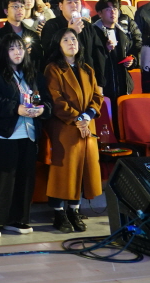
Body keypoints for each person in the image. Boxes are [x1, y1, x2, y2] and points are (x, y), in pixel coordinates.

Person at [0, 34, 49, 238]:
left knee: (25, 178)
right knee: (2, 179)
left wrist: (42, 109)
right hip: (4, 133)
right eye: (12, 48)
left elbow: (44, 99)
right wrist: (16, 108)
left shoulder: (33, 73)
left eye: (20, 48)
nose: (17, 52)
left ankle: (18, 218)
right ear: (4, 52)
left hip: (29, 132)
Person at [44, 28, 102, 233]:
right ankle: (59, 213)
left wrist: (87, 116)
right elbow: (56, 99)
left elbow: (97, 96)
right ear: (58, 45)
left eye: (74, 39)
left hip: (86, 126)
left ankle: (74, 210)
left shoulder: (87, 68)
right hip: (65, 126)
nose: (71, 42)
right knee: (64, 171)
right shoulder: (53, 69)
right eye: (66, 39)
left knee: (82, 169)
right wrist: (78, 118)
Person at [40, 0, 107, 94]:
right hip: (62, 80)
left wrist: (100, 83)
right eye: (69, 2)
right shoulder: (51, 25)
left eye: (76, 2)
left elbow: (98, 55)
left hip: (87, 79)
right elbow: (49, 51)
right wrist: (70, 31)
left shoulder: (88, 26)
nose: (74, 5)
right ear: (61, 6)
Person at [92, 0, 141, 131]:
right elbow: (90, 58)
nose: (113, 12)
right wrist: (104, 50)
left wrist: (132, 61)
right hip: (103, 84)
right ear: (100, 13)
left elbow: (132, 54)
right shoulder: (93, 33)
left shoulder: (123, 33)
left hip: (122, 84)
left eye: (115, 9)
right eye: (108, 9)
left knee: (122, 123)